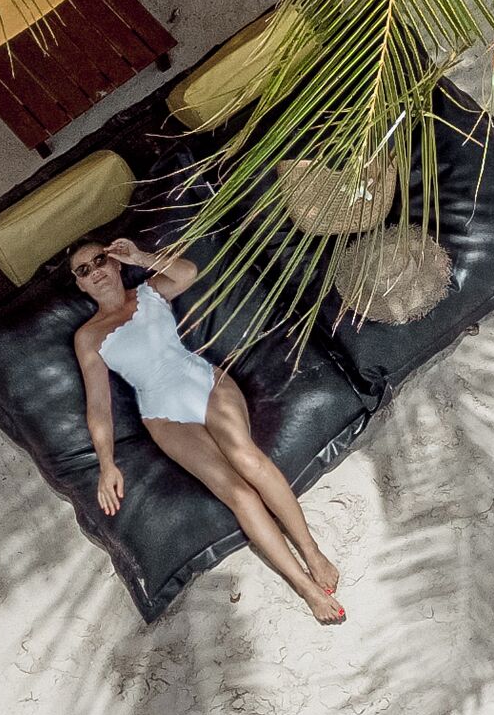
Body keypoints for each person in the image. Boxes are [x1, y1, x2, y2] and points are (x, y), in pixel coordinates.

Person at [69, 235, 344, 624]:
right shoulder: (89, 337)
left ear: (113, 262)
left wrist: (141, 256)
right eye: (84, 270)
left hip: (202, 382)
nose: (95, 271)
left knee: (247, 459)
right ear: (79, 284)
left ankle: (312, 552)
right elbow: (98, 404)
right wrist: (107, 463)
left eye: (100, 260)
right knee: (237, 493)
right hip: (162, 413)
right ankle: (304, 586)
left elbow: (187, 271)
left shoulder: (148, 291)